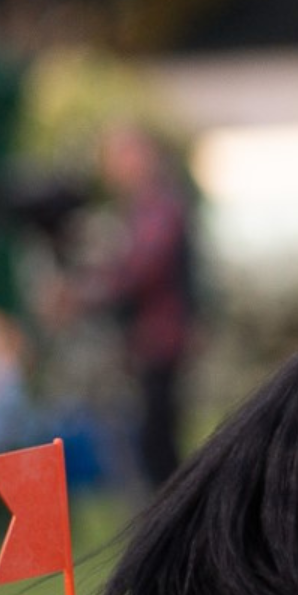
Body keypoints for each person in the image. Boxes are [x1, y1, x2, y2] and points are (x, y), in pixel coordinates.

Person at [89, 123, 199, 491]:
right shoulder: (139, 208)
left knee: (159, 440)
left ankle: (173, 519)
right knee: (153, 438)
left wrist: (90, 291)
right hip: (150, 337)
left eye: (122, 157)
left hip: (160, 337)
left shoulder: (159, 206)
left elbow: (143, 269)